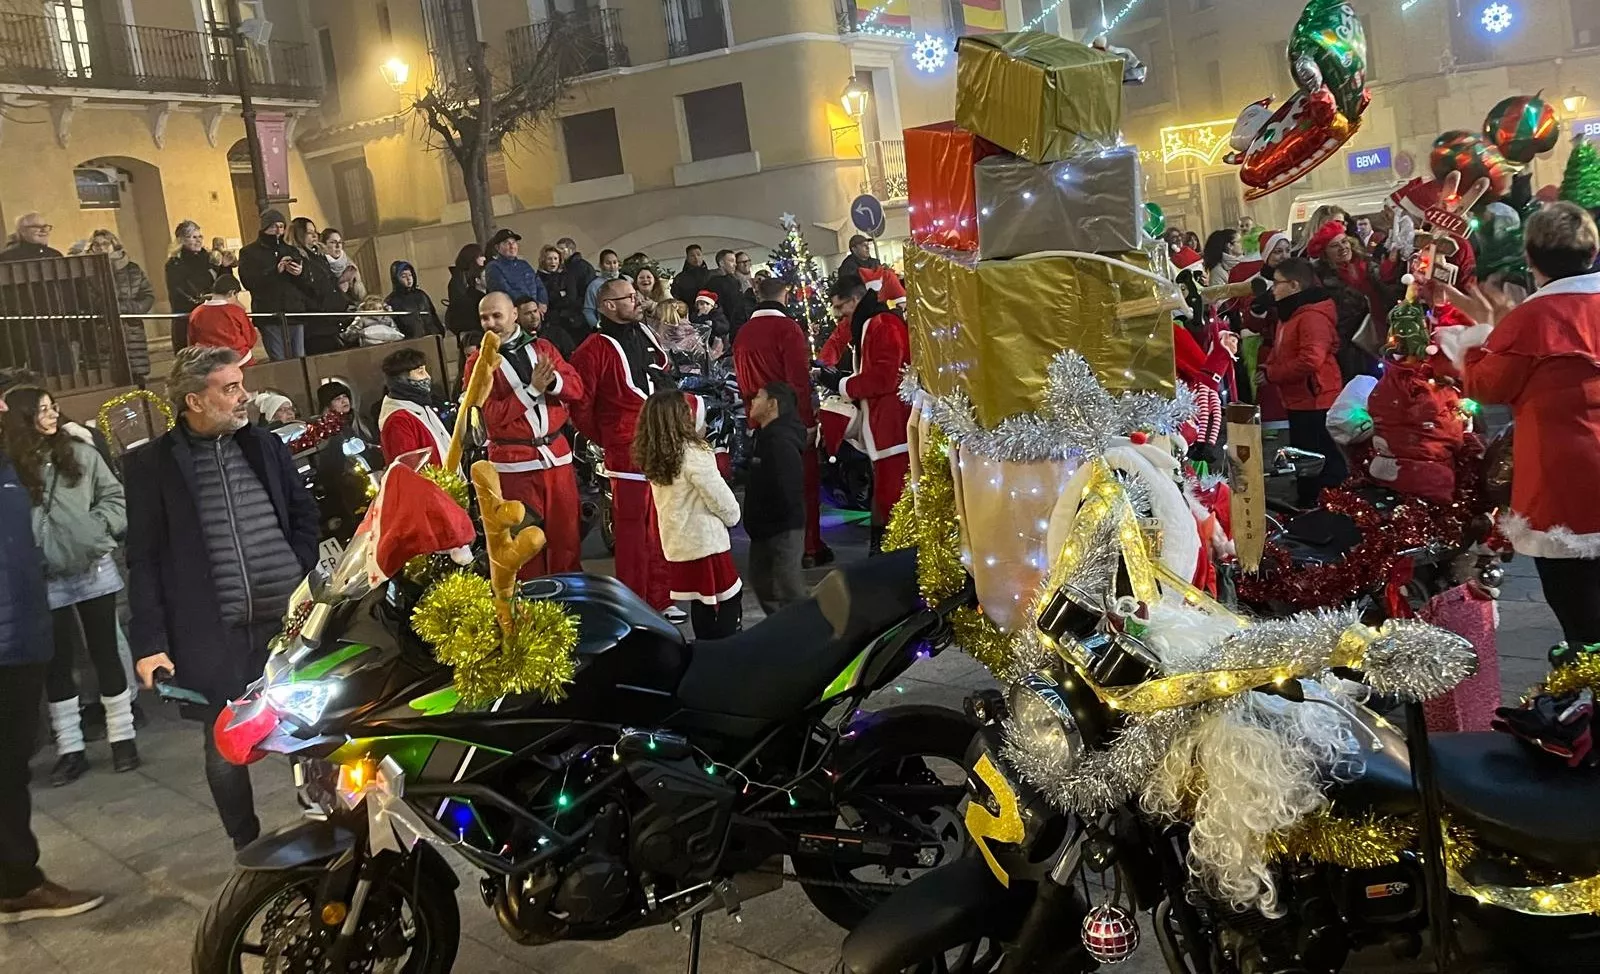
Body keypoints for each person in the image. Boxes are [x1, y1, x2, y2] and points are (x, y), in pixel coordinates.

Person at [127, 346, 317, 849]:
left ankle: (329, 827)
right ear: (194, 399)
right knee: (224, 746)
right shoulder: (152, 465)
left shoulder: (265, 446)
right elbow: (142, 559)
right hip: (216, 634)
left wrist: (298, 560)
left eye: (241, 384)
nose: (244, 396)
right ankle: (248, 846)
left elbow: (303, 512)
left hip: (288, 623)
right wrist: (149, 642)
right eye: (230, 388)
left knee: (317, 732)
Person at [1439, 202, 1600, 648]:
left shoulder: (1532, 318)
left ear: (1530, 259)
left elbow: (1485, 385)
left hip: (1564, 482)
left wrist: (1482, 334)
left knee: (1583, 619)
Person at [0, 385, 105, 923]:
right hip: (9, 637)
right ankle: (17, 881)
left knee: (11, 766)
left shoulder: (15, 464)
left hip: (21, 631)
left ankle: (15, 877)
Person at [2, 385, 135, 785]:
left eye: (53, 408)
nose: (52, 415)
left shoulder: (80, 452)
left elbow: (114, 497)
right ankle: (70, 747)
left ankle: (123, 737)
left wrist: (99, 531)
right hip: (43, 579)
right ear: (24, 418)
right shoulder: (10, 467)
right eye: (42, 410)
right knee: (57, 665)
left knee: (105, 653)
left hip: (92, 569)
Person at [571, 277, 689, 616]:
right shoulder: (592, 350)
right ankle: (636, 603)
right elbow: (580, 406)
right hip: (627, 449)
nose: (638, 300)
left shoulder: (644, 332)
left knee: (663, 522)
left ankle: (663, 596)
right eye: (629, 297)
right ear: (609, 306)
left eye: (636, 295)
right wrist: (610, 436)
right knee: (634, 530)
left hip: (661, 440)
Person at [471, 292, 586, 576]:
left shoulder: (543, 347)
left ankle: (570, 600)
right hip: (513, 465)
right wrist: (533, 389)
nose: (490, 323)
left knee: (566, 538)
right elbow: (491, 419)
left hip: (556, 457)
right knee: (524, 543)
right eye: (484, 318)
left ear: (514, 314)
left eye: (496, 316)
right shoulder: (478, 363)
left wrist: (553, 382)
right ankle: (531, 609)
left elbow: (577, 389)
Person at [735, 275, 830, 566]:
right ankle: (809, 548)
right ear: (785, 295)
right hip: (789, 420)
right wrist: (808, 421)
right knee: (803, 485)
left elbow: (742, 382)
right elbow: (798, 380)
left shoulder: (742, 333)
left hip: (759, 423)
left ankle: (776, 550)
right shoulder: (787, 329)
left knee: (770, 489)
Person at [634, 389, 742, 638]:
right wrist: (733, 517)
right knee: (730, 597)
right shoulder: (694, 453)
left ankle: (705, 650)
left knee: (700, 601)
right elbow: (718, 495)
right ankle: (724, 651)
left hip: (678, 543)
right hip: (706, 543)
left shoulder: (655, 454)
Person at [822, 274, 911, 550]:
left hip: (892, 424)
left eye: (841, 307)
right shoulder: (870, 323)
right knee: (885, 490)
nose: (838, 315)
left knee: (892, 492)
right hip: (884, 422)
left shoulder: (882, 325)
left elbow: (884, 378)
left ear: (856, 299)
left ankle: (893, 551)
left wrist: (841, 383)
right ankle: (884, 547)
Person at [1263, 257, 1348, 506]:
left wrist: (1274, 373)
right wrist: (1269, 365)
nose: (1272, 289)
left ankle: (1328, 502)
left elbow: (1311, 360)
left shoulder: (1311, 316)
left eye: (1277, 283)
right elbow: (1281, 348)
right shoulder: (1291, 313)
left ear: (1294, 285)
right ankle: (1309, 498)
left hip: (1316, 397)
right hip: (1300, 397)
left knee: (1318, 454)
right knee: (1304, 452)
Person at [743, 382, 808, 613]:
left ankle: (804, 639)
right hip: (766, 530)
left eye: (758, 397)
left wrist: (772, 524)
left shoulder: (780, 441)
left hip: (780, 530)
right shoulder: (765, 436)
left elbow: (788, 489)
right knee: (765, 584)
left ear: (772, 404)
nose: (752, 402)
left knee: (787, 589)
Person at [237, 209, 309, 360]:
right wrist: (275, 271)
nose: (278, 231)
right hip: (269, 313)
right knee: (279, 359)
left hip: (294, 311)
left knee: (300, 357)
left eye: (281, 226)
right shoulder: (249, 252)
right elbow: (249, 281)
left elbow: (305, 283)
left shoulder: (291, 250)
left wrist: (299, 273)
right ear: (264, 228)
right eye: (273, 226)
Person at [86, 228, 154, 381]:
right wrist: (109, 309)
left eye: (105, 243)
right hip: (101, 332)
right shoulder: (87, 272)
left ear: (114, 245)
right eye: (97, 245)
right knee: (106, 377)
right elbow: (86, 299)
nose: (102, 248)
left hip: (131, 328)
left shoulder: (133, 269)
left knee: (136, 376)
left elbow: (147, 295)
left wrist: (132, 309)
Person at [1316, 234, 1385, 382]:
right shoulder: (1323, 281)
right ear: (1325, 253)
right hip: (1352, 344)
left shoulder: (1369, 265)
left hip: (1383, 333)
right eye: (1335, 245)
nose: (1342, 248)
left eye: (1344, 241)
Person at [378, 347, 453, 468]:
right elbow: (410, 469)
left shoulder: (422, 406)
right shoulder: (398, 420)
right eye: (420, 372)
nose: (428, 377)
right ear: (401, 380)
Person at [166, 220, 219, 350]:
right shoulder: (175, 263)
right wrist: (200, 299)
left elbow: (220, 283)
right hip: (189, 318)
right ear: (182, 240)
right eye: (193, 237)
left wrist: (224, 267)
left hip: (212, 315)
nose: (198, 240)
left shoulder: (209, 259)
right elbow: (179, 290)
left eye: (200, 236)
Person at [187, 276, 258, 364]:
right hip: (240, 359)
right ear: (232, 293)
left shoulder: (196, 312)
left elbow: (192, 340)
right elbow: (250, 339)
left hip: (210, 361)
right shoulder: (235, 311)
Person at [484, 228, 548, 309]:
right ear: (497, 247)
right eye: (507, 243)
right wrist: (528, 305)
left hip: (535, 310)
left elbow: (539, 285)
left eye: (514, 242)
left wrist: (542, 303)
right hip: (515, 311)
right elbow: (504, 292)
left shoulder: (524, 264)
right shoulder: (493, 267)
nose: (512, 246)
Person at [446, 243, 488, 353]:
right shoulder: (459, 281)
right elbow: (459, 310)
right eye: (480, 255)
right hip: (470, 336)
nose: (484, 258)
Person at [538, 243, 586, 341]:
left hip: (572, 321)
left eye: (555, 258)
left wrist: (556, 297)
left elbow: (572, 298)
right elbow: (546, 299)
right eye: (549, 259)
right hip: (552, 323)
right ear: (544, 260)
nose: (553, 262)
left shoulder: (567, 276)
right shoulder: (538, 278)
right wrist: (560, 294)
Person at [385, 260, 442, 338]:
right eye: (403, 276)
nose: (408, 279)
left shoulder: (421, 294)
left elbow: (433, 314)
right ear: (396, 279)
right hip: (411, 341)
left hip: (432, 337)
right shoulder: (392, 300)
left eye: (410, 275)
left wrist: (439, 331)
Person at [706, 249, 751, 333]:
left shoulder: (734, 280)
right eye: (731, 261)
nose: (735, 264)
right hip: (728, 328)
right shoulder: (714, 283)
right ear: (721, 263)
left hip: (738, 325)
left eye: (735, 261)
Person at [519, 294, 576, 359]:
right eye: (528, 313)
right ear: (517, 318)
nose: (534, 316)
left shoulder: (558, 333)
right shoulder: (517, 343)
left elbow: (573, 358)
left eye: (535, 311)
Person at [582, 249, 624, 328]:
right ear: (601, 265)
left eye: (615, 262)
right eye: (608, 263)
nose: (612, 266)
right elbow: (588, 311)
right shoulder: (594, 285)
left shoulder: (626, 281)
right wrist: (598, 328)